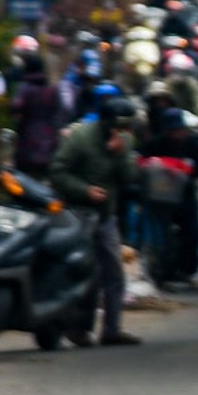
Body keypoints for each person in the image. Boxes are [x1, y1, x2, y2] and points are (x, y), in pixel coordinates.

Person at [49, 97, 142, 347]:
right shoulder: (81, 138)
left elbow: (131, 177)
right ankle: (78, 327)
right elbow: (58, 170)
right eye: (119, 127)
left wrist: (120, 154)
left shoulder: (125, 142)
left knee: (113, 273)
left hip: (105, 216)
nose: (124, 132)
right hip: (78, 214)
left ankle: (112, 329)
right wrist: (84, 190)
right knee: (85, 272)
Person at [141, 107, 198, 288]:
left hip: (185, 193)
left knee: (192, 233)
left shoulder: (192, 143)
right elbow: (143, 163)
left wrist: (186, 169)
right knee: (159, 235)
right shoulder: (156, 143)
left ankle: (188, 270)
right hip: (160, 196)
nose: (178, 134)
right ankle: (163, 271)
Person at [10, 53, 64, 176]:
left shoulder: (24, 88)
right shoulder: (52, 90)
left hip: (27, 143)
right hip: (49, 142)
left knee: (24, 180)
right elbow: (60, 112)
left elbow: (15, 106)